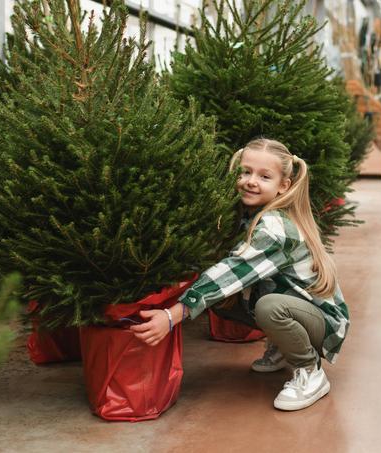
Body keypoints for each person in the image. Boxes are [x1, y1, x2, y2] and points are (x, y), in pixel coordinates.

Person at [130, 138, 350, 411]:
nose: (250, 181)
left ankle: (309, 371)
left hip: (324, 321)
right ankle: (283, 347)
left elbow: (232, 272)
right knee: (224, 302)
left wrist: (173, 315)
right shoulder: (247, 214)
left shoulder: (274, 227)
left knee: (268, 306)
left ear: (284, 186)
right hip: (295, 307)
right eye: (245, 172)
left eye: (264, 176)